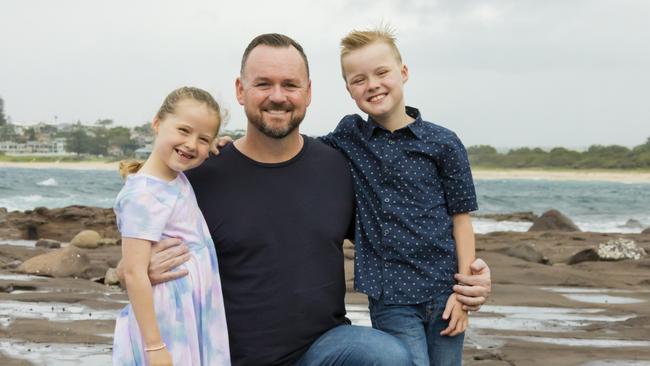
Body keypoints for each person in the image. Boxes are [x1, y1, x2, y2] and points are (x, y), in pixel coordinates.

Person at [122, 33, 492, 366]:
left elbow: (401, 229)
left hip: (324, 350)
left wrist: (470, 275)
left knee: (389, 356)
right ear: (240, 89)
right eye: (263, 84)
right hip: (226, 353)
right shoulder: (199, 175)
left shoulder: (338, 165)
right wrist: (135, 271)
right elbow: (137, 241)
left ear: (309, 92)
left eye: (290, 85)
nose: (278, 96)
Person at [318, 26, 477, 366]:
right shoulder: (350, 137)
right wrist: (233, 143)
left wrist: (463, 296)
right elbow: (299, 150)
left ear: (403, 73)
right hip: (391, 298)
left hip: (445, 291)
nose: (372, 84)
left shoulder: (443, 143)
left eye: (381, 72)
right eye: (358, 79)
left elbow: (461, 221)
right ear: (349, 90)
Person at [112, 87, 230, 366]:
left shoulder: (174, 177)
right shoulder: (142, 195)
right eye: (183, 130)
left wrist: (210, 145)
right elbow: (134, 272)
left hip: (193, 308)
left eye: (203, 138)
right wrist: (154, 346)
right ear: (156, 123)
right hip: (167, 315)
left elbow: (194, 147)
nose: (191, 144)